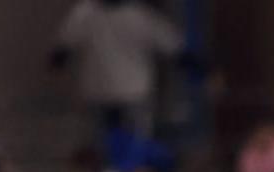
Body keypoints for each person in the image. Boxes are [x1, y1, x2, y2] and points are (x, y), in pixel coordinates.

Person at [54, 0, 184, 140]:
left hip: (100, 90)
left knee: (103, 139)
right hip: (132, 91)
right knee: (134, 139)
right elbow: (174, 47)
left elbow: (63, 49)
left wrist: (57, 65)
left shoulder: (85, 12)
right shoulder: (140, 15)